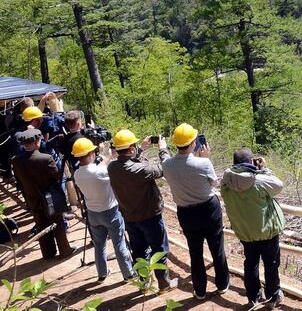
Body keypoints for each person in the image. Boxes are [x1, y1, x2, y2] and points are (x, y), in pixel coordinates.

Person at [162, 123, 230, 300]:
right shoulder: (204, 162)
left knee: (195, 252)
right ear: (193, 143)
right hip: (209, 210)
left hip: (186, 213)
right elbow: (214, 183)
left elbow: (170, 163)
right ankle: (222, 284)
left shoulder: (167, 165)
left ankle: (200, 290)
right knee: (217, 248)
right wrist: (205, 158)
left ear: (175, 144)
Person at [106, 129, 178, 292]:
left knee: (139, 251)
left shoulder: (112, 168)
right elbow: (163, 168)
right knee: (159, 250)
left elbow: (127, 161)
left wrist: (140, 149)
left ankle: (144, 283)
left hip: (130, 217)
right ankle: (164, 284)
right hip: (150, 216)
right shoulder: (141, 170)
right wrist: (162, 149)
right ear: (131, 149)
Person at [220, 148, 285, 308]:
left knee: (251, 263)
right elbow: (279, 186)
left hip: (245, 232)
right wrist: (264, 170)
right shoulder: (259, 180)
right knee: (271, 264)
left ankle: (253, 297)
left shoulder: (226, 181)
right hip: (266, 231)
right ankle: (272, 296)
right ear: (250, 162)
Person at [71, 137, 135, 282]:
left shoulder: (77, 174)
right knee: (119, 244)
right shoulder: (100, 173)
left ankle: (102, 273)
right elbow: (106, 171)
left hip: (93, 214)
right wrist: (112, 157)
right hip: (110, 212)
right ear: (91, 154)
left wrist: (109, 156)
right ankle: (128, 273)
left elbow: (99, 168)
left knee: (99, 245)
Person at [10, 128, 76, 259]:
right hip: (50, 197)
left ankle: (48, 253)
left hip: (32, 198)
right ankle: (65, 250)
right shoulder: (46, 158)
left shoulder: (16, 160)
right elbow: (57, 176)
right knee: (57, 224)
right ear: (35, 142)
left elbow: (18, 179)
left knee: (41, 225)